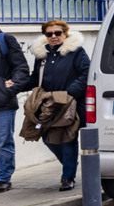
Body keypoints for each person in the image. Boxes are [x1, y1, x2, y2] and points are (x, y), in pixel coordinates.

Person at [19, 20, 90, 191]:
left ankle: (68, 177)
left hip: (70, 103)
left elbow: (86, 73)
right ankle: (69, 163)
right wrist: (16, 85)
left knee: (67, 139)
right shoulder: (42, 55)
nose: (53, 37)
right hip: (49, 105)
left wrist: (70, 93)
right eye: (49, 34)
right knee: (47, 138)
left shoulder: (76, 52)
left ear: (65, 34)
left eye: (57, 33)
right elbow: (35, 78)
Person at [0, 11, 30, 194]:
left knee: (4, 142)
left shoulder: (4, 40)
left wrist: (9, 90)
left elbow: (21, 68)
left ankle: (3, 179)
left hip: (0, 102)